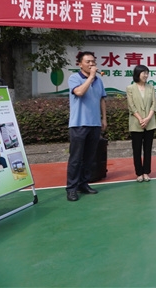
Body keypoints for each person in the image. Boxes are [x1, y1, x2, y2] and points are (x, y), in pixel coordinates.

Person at [66, 51, 107, 201]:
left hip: (94, 123)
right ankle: (71, 188)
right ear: (80, 64)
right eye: (88, 62)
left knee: (89, 158)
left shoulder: (98, 81)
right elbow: (79, 92)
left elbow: (102, 99)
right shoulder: (74, 78)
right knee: (76, 158)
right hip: (79, 124)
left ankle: (83, 184)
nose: (91, 64)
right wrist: (90, 77)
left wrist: (104, 119)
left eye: (93, 62)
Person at [126, 65, 156, 183]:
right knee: (137, 149)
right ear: (137, 74)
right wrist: (140, 119)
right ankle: (139, 173)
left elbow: (154, 104)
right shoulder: (130, 88)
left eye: (147, 73)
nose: (145, 75)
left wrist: (148, 118)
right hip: (136, 123)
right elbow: (131, 106)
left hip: (150, 123)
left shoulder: (151, 88)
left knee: (148, 149)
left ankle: (146, 172)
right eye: (143, 73)